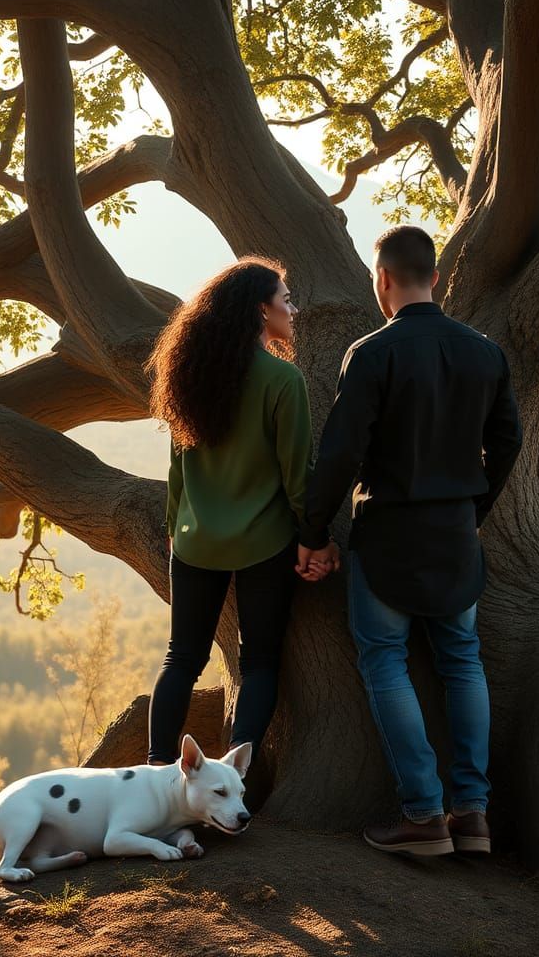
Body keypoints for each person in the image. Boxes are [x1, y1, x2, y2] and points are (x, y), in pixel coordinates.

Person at [297, 225, 523, 856]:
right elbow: (509, 443)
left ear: (384, 280)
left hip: (389, 533)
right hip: (455, 535)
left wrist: (313, 532)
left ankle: (424, 815)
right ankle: (473, 817)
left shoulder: (371, 353)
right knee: (462, 660)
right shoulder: (485, 353)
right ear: (438, 279)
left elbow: (340, 454)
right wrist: (474, 506)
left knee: (385, 662)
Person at [145, 257, 310, 770]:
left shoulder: (192, 373)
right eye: (286, 299)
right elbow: (298, 477)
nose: (293, 309)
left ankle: (156, 770)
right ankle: (232, 778)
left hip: (195, 541)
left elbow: (177, 465)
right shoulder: (283, 381)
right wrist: (315, 537)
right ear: (262, 311)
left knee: (182, 659)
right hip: (265, 543)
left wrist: (175, 526)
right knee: (259, 662)